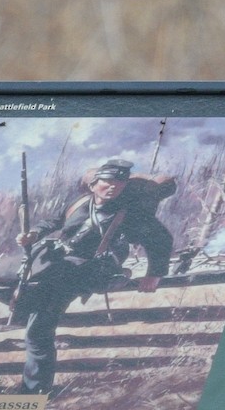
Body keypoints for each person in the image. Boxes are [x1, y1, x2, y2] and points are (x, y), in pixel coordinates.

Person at [13, 159, 175, 394]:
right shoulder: (80, 203)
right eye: (107, 181)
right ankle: (24, 301)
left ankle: (34, 392)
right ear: (93, 184)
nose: (113, 187)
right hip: (58, 262)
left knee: (39, 330)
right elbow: (56, 221)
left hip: (87, 272)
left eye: (119, 183)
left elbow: (161, 239)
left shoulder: (130, 214)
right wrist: (34, 233)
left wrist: (155, 274)